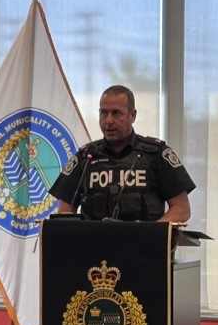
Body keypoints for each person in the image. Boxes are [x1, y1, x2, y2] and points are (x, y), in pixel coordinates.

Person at [49, 84, 195, 223]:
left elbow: (182, 209)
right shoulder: (85, 157)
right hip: (94, 246)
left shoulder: (156, 154)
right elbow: (65, 211)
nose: (108, 121)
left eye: (116, 113)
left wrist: (153, 231)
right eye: (103, 113)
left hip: (143, 246)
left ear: (132, 115)